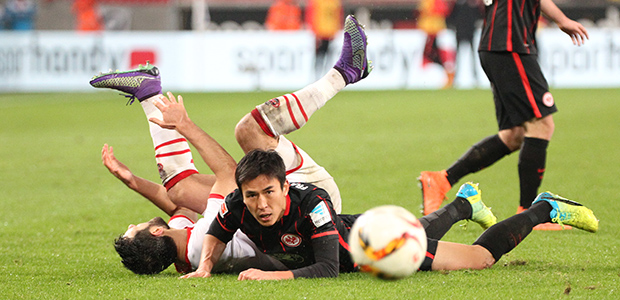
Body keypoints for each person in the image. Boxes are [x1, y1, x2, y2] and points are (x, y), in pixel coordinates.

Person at [91, 15, 371, 274]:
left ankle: (148, 93)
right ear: (156, 233)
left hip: (282, 211)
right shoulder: (203, 242)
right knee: (249, 131)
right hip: (300, 202)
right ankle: (345, 72)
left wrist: (132, 181)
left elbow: (181, 208)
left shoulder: (184, 254)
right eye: (132, 230)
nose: (131, 224)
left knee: (179, 189)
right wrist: (185, 125)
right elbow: (229, 172)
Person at [182, 149, 597, 280]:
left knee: (480, 260)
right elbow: (217, 231)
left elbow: (327, 268)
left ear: (285, 186)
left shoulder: (313, 205)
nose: (261, 204)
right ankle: (466, 203)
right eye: (252, 196)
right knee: (417, 226)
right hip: (356, 236)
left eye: (269, 193)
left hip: (369, 245)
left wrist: (268, 275)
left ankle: (547, 206)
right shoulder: (241, 201)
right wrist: (203, 268)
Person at [418, 0, 589, 230]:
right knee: (541, 125)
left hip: (499, 44)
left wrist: (561, 20)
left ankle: (441, 180)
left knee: (515, 134)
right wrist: (562, 20)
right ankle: (528, 213)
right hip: (510, 45)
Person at [417, 0, 456, 88]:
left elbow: (443, 11)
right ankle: (448, 75)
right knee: (433, 55)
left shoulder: (436, 2)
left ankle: (449, 75)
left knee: (439, 55)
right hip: (429, 31)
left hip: (436, 31)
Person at [305, 0, 343, 78]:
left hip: (328, 32)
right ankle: (317, 76)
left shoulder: (332, 2)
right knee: (321, 55)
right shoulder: (331, 2)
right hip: (322, 32)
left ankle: (323, 75)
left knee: (326, 56)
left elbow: (338, 16)